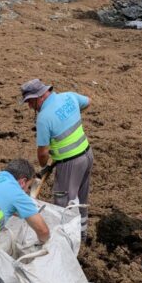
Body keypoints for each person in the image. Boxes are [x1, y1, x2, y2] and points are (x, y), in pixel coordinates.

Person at [20, 78, 93, 241]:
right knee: (82, 197)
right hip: (87, 154)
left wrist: (44, 165)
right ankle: (83, 233)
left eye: (30, 102)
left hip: (70, 164)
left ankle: (66, 242)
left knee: (63, 205)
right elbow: (88, 101)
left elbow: (43, 152)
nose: (30, 107)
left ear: (40, 96)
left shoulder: (44, 118)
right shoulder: (69, 96)